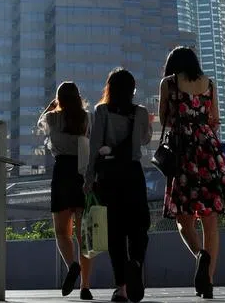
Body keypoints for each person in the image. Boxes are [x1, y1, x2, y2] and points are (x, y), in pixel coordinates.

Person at [159, 47, 225, 299]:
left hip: (183, 152)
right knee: (210, 222)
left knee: (183, 220)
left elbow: (164, 119)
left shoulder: (168, 83)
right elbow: (215, 120)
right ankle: (208, 283)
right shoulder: (210, 84)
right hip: (208, 151)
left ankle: (199, 254)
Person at [85, 68, 152, 303]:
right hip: (133, 173)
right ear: (133, 90)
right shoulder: (140, 112)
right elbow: (144, 140)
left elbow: (94, 146)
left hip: (108, 176)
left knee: (115, 233)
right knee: (139, 226)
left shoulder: (101, 111)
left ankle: (121, 288)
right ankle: (136, 263)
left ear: (109, 88)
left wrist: (89, 179)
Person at [38, 82, 93, 299]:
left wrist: (51, 106)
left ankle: (72, 265)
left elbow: (39, 124)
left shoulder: (52, 118)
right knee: (83, 236)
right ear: (78, 98)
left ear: (59, 99)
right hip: (82, 172)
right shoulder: (87, 117)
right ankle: (85, 287)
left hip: (62, 173)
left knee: (62, 232)